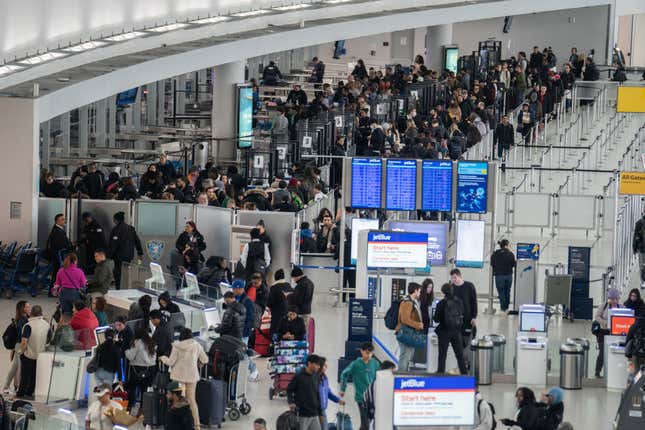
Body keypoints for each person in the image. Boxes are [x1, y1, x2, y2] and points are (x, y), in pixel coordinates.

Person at [160, 327, 209, 430]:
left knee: (179, 402)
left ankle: (179, 424)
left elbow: (171, 362)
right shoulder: (196, 345)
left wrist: (163, 358)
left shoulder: (176, 346)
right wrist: (200, 363)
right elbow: (205, 359)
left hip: (178, 377)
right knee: (191, 400)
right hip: (192, 376)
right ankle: (196, 425)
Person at [340, 342, 379, 430]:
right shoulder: (356, 364)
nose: (369, 355)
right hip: (361, 398)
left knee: (368, 423)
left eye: (371, 353)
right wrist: (343, 389)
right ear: (362, 351)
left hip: (373, 398)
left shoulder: (375, 364)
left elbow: (380, 378)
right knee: (365, 424)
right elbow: (344, 374)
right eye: (367, 353)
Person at [433, 283, 468, 375]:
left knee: (442, 355)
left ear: (443, 292)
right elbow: (462, 313)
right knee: (459, 354)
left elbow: (436, 319)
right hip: (456, 331)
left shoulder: (442, 303)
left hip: (444, 331)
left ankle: (440, 373)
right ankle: (464, 374)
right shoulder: (459, 301)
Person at [17, 305, 49, 399]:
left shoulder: (28, 325)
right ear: (41, 313)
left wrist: (21, 352)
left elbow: (24, 342)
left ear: (31, 313)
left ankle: (21, 394)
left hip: (29, 355)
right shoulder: (46, 325)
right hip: (41, 355)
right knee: (34, 376)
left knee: (25, 376)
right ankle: (30, 392)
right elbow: (49, 339)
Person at [108, 211, 143, 290]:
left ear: (117, 220)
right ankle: (125, 287)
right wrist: (140, 252)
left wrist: (109, 255)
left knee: (118, 273)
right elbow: (137, 241)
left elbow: (114, 244)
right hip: (129, 255)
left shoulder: (116, 230)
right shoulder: (130, 228)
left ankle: (118, 288)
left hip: (118, 256)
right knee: (126, 271)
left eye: (114, 219)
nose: (113, 221)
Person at [232, 281, 260, 381]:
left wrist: (245, 332)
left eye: (235, 288)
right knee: (240, 353)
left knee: (243, 353)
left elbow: (250, 318)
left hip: (243, 333)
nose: (233, 290)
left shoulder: (247, 301)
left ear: (239, 288)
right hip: (237, 332)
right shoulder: (236, 299)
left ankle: (254, 370)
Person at [287, 354, 323, 430]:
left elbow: (317, 395)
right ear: (309, 363)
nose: (319, 367)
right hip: (302, 415)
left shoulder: (316, 376)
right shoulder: (298, 376)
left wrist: (320, 413)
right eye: (317, 364)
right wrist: (291, 402)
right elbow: (289, 390)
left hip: (314, 414)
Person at [124, 326, 157, 409]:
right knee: (144, 391)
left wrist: (126, 351)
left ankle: (130, 407)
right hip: (149, 370)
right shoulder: (151, 342)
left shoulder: (137, 342)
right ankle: (143, 410)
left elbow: (131, 356)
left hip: (137, 370)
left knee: (132, 388)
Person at [450, 269, 478, 364]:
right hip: (456, 321)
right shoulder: (451, 288)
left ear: (460, 276)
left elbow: (474, 302)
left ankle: (467, 362)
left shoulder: (469, 286)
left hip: (467, 319)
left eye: (455, 277)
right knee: (458, 342)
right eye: (452, 278)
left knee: (468, 341)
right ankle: (460, 363)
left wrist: (474, 316)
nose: (453, 280)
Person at [395, 283, 424, 372]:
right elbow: (405, 319)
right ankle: (401, 376)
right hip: (406, 333)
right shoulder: (408, 302)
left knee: (408, 356)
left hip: (409, 333)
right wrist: (418, 325)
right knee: (405, 356)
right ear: (415, 291)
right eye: (419, 291)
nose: (420, 293)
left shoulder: (411, 301)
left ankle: (404, 374)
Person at [3, 301, 30, 395]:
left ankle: (6, 387)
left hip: (17, 345)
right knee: (19, 368)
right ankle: (17, 388)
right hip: (20, 345)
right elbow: (23, 336)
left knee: (14, 367)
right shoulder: (23, 321)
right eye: (27, 307)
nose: (29, 308)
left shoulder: (19, 319)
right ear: (23, 309)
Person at [593, 288, 622, 377]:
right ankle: (597, 371)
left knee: (612, 352)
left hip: (614, 333)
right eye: (613, 299)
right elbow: (597, 316)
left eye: (616, 299)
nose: (615, 301)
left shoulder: (620, 307)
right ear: (609, 298)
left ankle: (611, 372)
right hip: (603, 332)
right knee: (602, 352)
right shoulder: (604, 306)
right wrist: (604, 323)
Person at [363, 360, 396, 429]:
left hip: (376, 420)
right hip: (385, 421)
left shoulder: (372, 385)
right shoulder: (390, 385)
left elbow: (366, 400)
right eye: (393, 371)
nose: (394, 374)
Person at [46, 213, 72, 290]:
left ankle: (54, 290)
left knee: (57, 273)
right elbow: (62, 244)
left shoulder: (58, 230)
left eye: (64, 219)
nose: (64, 221)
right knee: (57, 273)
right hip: (57, 256)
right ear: (57, 221)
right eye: (62, 219)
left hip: (58, 255)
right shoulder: (57, 231)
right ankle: (53, 290)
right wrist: (71, 247)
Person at [490, 239, 516, 313]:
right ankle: (506, 308)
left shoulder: (495, 253)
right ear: (506, 245)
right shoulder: (510, 254)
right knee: (507, 292)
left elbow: (492, 263)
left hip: (499, 276)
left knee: (501, 292)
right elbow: (514, 264)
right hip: (508, 276)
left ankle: (503, 308)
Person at [318, 356, 344, 430]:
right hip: (315, 411)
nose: (327, 366)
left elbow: (328, 393)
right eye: (324, 365)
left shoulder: (324, 378)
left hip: (322, 410)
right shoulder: (314, 379)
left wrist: (338, 400)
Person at [267, 269, 293, 337]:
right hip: (289, 315)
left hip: (277, 316)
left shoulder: (274, 287)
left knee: (276, 334)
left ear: (275, 278)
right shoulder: (289, 286)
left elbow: (269, 302)